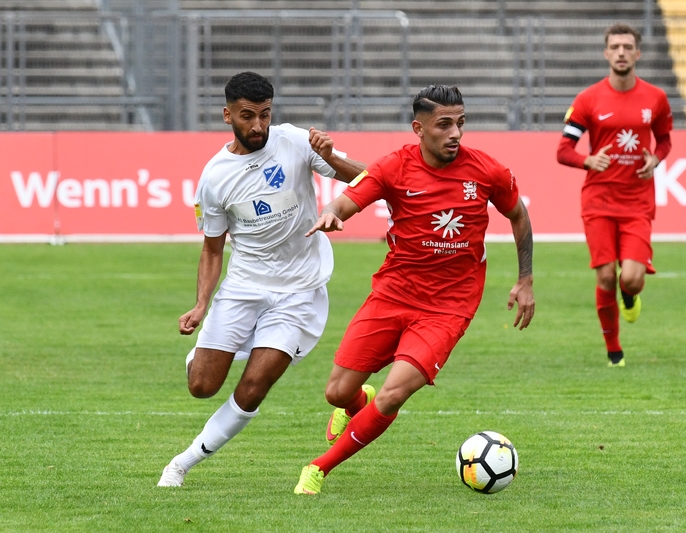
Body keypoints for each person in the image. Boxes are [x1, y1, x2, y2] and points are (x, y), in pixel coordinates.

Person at [292, 84, 535, 495]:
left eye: (460, 123)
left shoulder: (487, 171)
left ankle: (318, 468)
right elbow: (349, 200)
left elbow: (518, 214)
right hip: (394, 293)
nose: (455, 133)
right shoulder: (393, 167)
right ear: (418, 129)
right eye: (444, 124)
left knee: (393, 394)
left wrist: (525, 277)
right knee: (337, 392)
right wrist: (332, 214)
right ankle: (356, 404)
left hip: (450, 306)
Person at [157, 71, 366, 487]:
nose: (258, 126)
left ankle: (180, 464)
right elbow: (213, 248)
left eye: (265, 115)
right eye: (248, 116)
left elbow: (369, 179)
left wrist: (332, 157)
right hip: (244, 288)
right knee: (201, 385)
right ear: (227, 115)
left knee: (253, 386)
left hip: (299, 292)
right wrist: (201, 304)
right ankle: (205, 357)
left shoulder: (295, 141)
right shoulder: (215, 177)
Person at [556, 23, 673, 368]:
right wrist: (587, 159)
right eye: (615, 47)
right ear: (606, 53)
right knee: (605, 275)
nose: (621, 52)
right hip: (599, 200)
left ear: (638, 53)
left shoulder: (656, 98)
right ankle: (614, 350)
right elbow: (563, 150)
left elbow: (665, 140)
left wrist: (657, 158)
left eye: (627, 46)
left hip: (638, 200)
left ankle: (629, 294)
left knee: (631, 278)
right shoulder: (588, 99)